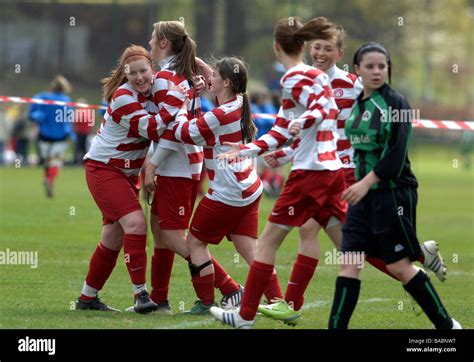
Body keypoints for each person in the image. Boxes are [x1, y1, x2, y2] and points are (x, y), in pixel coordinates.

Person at [261, 19, 446, 314]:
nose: (320, 53)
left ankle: (289, 304)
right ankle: (414, 267)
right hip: (315, 170)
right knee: (346, 245)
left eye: (328, 49)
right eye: (316, 47)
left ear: (340, 54)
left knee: (329, 239)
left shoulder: (352, 84)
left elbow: (386, 105)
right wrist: (284, 154)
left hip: (342, 172)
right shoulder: (302, 81)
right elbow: (299, 129)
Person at [210, 16, 343, 329]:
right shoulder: (315, 75)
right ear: (304, 45)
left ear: (276, 47)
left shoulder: (294, 77)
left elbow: (317, 111)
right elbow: (287, 126)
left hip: (310, 175)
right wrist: (254, 150)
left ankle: (244, 317)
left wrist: (304, 120)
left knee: (266, 243)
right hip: (332, 173)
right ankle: (414, 262)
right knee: (353, 249)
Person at [326, 42, 461, 329]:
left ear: (388, 69)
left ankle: (449, 328)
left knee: (398, 267)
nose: (376, 71)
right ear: (358, 69)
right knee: (349, 263)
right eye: (370, 66)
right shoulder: (359, 103)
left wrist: (365, 183)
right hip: (362, 196)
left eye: (382, 66)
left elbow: (396, 156)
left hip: (393, 193)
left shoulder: (396, 104)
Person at [149, 57, 284, 314]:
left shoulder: (220, 114)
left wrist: (180, 100)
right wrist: (192, 58)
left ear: (226, 82)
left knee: (195, 243)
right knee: (250, 250)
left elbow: (182, 132)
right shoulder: (240, 100)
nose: (208, 78)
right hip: (250, 189)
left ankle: (206, 302)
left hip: (228, 193)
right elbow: (217, 77)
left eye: (214, 77)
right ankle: (279, 301)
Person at [76, 44, 187, 313]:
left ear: (153, 70)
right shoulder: (123, 96)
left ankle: (87, 298)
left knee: (113, 239)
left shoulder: (156, 93)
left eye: (143, 71)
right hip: (104, 169)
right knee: (136, 224)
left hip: (126, 174)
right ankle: (140, 295)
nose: (139, 77)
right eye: (133, 73)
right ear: (126, 76)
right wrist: (176, 98)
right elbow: (152, 128)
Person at [141, 21, 243, 314]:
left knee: (173, 235)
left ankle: (230, 288)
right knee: (161, 233)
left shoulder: (165, 77)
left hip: (177, 165)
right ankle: (159, 301)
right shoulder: (184, 73)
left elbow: (173, 128)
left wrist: (153, 165)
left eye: (153, 37)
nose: (149, 42)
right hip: (184, 162)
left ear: (163, 43)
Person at [28, 75, 75, 197]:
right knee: (56, 161)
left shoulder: (42, 97)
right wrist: (70, 132)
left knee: (47, 161)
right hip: (61, 136)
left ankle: (47, 178)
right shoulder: (66, 100)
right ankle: (50, 180)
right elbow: (69, 117)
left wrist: (39, 118)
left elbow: (33, 113)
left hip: (44, 135)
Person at [73, 98, 95, 165]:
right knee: (82, 147)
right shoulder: (88, 111)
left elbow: (76, 120)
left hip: (82, 132)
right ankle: (81, 161)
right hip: (84, 132)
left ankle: (79, 161)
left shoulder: (82, 111)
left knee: (80, 147)